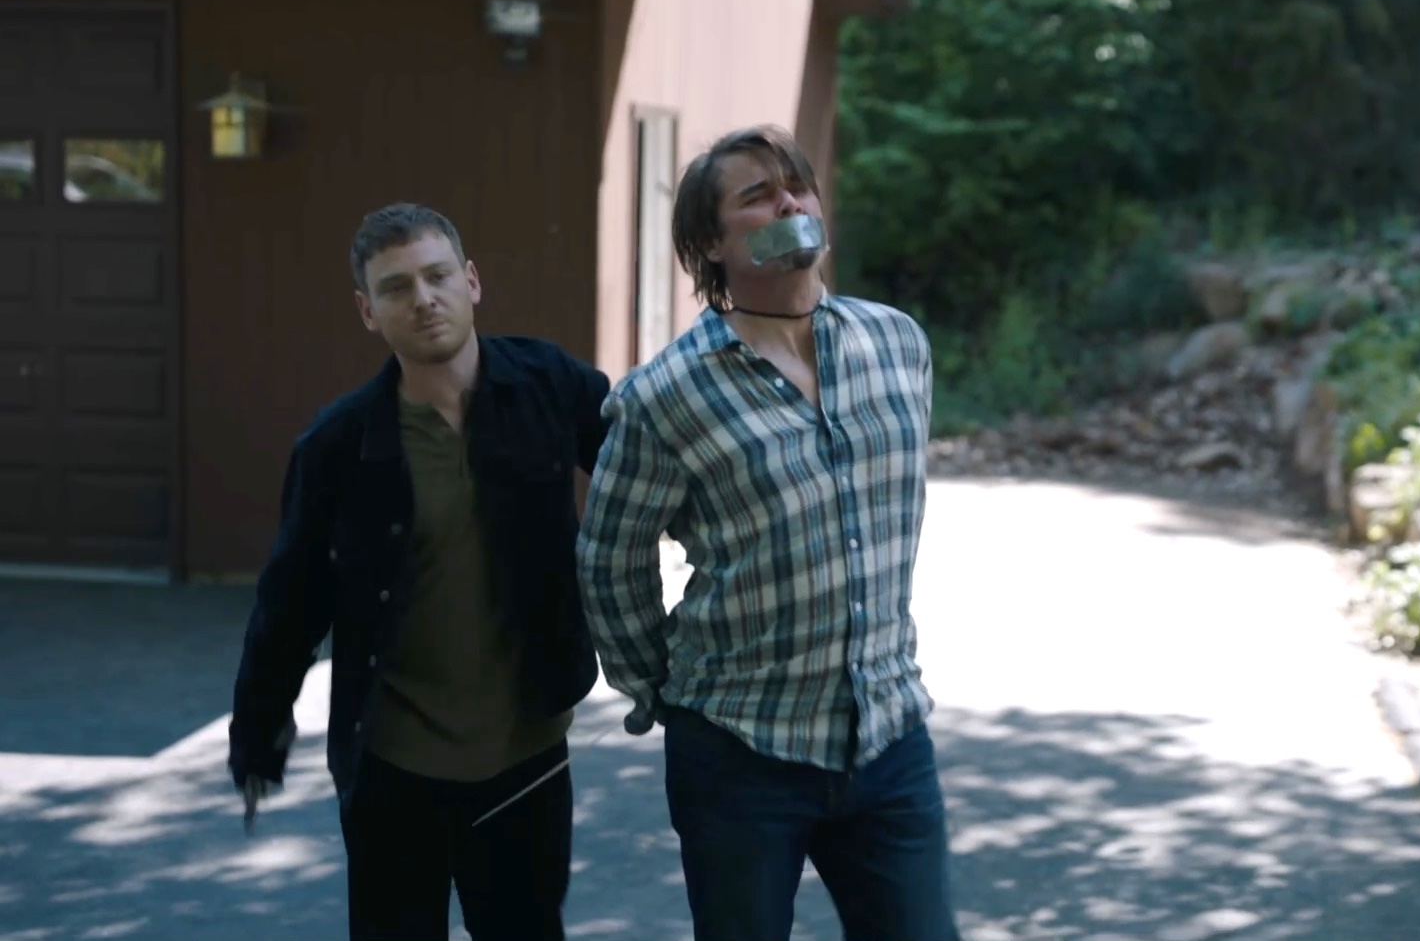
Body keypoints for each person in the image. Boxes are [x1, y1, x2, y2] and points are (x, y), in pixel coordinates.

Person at [577, 124, 960, 941]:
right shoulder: (664, 396)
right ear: (712, 245)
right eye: (758, 196)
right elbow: (609, 558)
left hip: (889, 735)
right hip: (739, 754)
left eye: (797, 187)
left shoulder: (898, 343)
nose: (789, 203)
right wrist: (655, 688)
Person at [226, 202, 611, 941]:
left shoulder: (549, 384)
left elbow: (649, 469)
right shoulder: (338, 446)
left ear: (472, 281)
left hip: (525, 756)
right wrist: (257, 737)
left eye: (438, 276)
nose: (423, 298)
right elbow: (290, 605)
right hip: (393, 769)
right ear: (368, 311)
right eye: (397, 287)